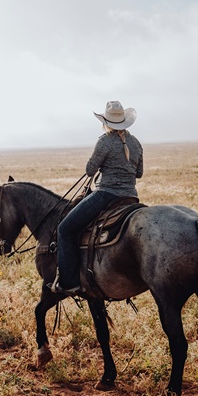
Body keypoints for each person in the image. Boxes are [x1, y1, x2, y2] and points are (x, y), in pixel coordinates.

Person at [52, 100, 144, 296]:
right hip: (131, 198)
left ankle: (69, 283)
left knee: (65, 229)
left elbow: (89, 170)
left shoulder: (104, 141)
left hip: (106, 195)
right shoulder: (136, 143)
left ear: (106, 121)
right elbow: (139, 173)